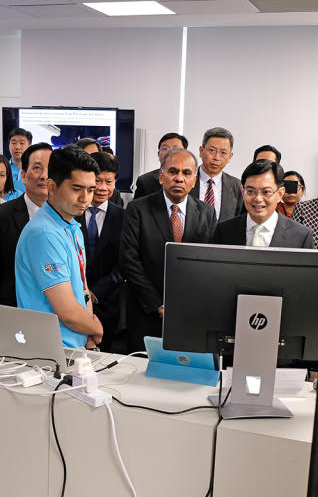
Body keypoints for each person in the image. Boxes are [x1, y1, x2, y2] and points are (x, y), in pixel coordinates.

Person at [119, 148, 217, 352]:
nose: (179, 178)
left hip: (191, 314)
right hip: (146, 312)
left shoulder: (206, 212)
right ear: (161, 176)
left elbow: (210, 262)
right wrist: (157, 304)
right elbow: (129, 260)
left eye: (186, 173)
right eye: (173, 172)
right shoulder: (138, 209)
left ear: (194, 179)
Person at [15, 148, 103, 349]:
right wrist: (96, 329)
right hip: (50, 350)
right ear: (52, 187)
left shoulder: (72, 226)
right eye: (76, 188)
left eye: (90, 190)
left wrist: (88, 338)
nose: (85, 198)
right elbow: (69, 314)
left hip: (75, 346)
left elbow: (82, 289)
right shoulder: (44, 233)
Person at [0, 143, 52, 307]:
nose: (44, 176)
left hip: (56, 312)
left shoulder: (70, 218)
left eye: (50, 169)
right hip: (14, 310)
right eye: (37, 168)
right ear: (23, 176)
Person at [76, 151, 126, 351]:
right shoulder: (72, 213)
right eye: (98, 181)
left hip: (107, 302)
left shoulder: (124, 217)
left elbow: (124, 262)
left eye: (109, 182)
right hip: (71, 300)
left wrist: (95, 293)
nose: (103, 188)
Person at [212, 160, 313, 248]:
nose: (258, 199)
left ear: (280, 194)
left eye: (266, 192)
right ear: (242, 192)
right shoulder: (223, 231)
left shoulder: (301, 236)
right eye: (251, 191)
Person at [191, 127, 244, 222]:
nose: (216, 157)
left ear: (230, 157)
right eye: (212, 150)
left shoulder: (237, 186)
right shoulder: (186, 180)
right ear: (201, 151)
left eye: (223, 152)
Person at [133, 132, 187, 198]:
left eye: (176, 149)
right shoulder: (145, 181)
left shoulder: (192, 180)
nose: (170, 152)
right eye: (165, 149)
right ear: (158, 154)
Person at [3, 127, 32, 201]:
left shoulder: (35, 169)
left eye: (22, 143)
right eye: (13, 143)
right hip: (6, 208)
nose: (17, 147)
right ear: (9, 145)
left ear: (30, 146)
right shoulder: (2, 168)